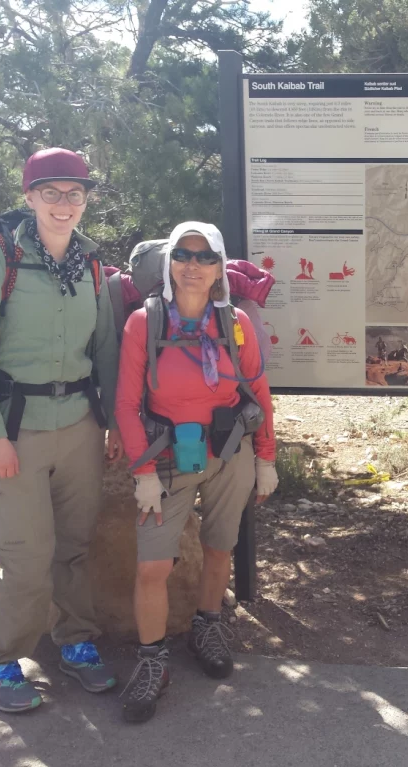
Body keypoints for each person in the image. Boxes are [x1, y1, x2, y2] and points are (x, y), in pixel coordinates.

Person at [0, 147, 122, 713]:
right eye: (50, 192)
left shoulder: (93, 266)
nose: (63, 203)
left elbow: (104, 351)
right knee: (26, 556)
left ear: (86, 200)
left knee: (74, 547)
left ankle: (74, 643)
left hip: (79, 424)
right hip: (14, 429)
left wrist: (111, 423)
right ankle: (1, 662)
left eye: (74, 193)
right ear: (28, 196)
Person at [115, 221, 277, 724]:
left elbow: (259, 391)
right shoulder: (145, 323)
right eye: (183, 255)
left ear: (219, 268)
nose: (193, 266)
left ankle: (207, 626)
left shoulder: (235, 325)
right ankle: (152, 659)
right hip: (166, 456)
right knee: (152, 566)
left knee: (218, 546)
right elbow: (125, 403)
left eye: (206, 257)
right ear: (169, 263)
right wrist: (142, 470)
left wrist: (267, 459)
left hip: (229, 452)